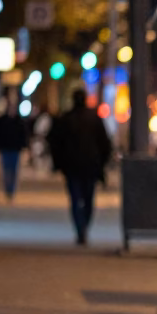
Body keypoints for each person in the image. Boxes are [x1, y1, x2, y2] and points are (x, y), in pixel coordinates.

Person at [48, 89, 112, 245]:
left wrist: (58, 163)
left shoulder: (66, 119)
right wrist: (102, 163)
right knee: (88, 199)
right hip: (90, 166)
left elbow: (55, 143)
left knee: (76, 199)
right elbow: (105, 144)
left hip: (72, 167)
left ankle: (80, 228)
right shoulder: (94, 119)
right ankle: (84, 227)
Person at [0, 101, 29, 202]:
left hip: (15, 149)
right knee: (6, 170)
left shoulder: (19, 121)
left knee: (13, 171)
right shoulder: (3, 121)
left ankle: (12, 190)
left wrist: (23, 145)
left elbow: (23, 134)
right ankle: (8, 189)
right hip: (5, 149)